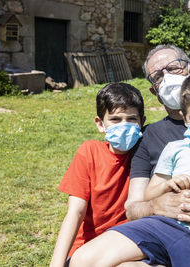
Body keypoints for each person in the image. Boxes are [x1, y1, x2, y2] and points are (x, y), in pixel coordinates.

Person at [70, 72, 190, 267]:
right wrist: (168, 185)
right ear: (185, 118)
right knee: (84, 260)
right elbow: (149, 194)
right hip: (164, 226)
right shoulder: (175, 148)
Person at [49, 83, 145, 267]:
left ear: (142, 121)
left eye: (132, 119)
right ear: (100, 124)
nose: (124, 125)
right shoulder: (89, 152)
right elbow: (76, 212)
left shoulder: (145, 152)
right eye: (115, 119)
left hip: (128, 244)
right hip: (87, 248)